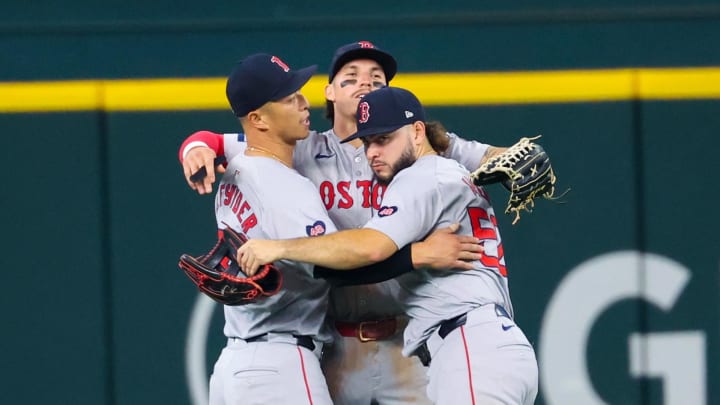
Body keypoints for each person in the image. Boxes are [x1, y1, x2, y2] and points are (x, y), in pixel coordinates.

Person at [179, 41, 505, 404]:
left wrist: (525, 157)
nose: (365, 84)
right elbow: (215, 142)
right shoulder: (297, 148)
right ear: (329, 92)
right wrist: (196, 147)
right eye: (351, 78)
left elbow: (502, 157)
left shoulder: (417, 143)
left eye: (377, 80)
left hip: (403, 339)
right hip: (336, 347)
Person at [236, 86, 539, 405]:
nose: (372, 153)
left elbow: (370, 248)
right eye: (367, 142)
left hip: (471, 349)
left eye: (384, 139)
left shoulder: (422, 176)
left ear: (418, 132)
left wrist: (279, 248)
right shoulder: (451, 174)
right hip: (486, 345)